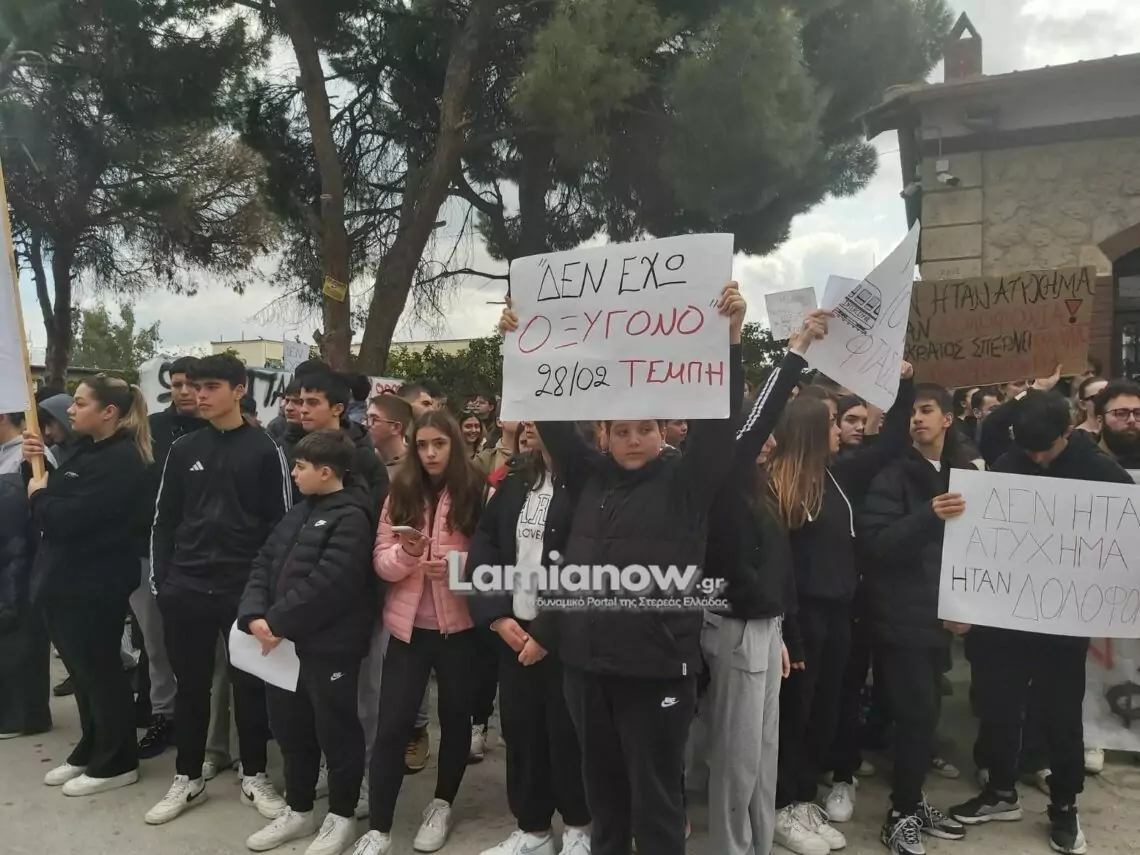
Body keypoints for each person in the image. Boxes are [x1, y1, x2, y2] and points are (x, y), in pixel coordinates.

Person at [502, 282, 747, 855]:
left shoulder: (687, 483)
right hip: (586, 670)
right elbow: (553, 419)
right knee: (604, 798)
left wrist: (730, 341)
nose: (634, 439)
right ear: (604, 435)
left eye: (646, 429)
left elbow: (721, 424)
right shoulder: (588, 475)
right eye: (622, 430)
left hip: (656, 669)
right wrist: (521, 344)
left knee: (656, 804)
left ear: (664, 432)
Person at [950, 391, 1133, 855]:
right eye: (1028, 449)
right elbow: (980, 537)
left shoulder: (1103, 474)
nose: (1035, 458)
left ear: (1068, 431)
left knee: (1061, 718)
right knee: (998, 708)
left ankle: (1065, 806)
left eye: (1044, 450)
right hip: (1005, 622)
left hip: (1062, 627)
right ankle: (1000, 791)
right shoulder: (1008, 465)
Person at [696, 310, 827, 855]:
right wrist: (792, 350)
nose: (767, 439)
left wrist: (782, 634)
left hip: (763, 628)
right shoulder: (720, 475)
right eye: (758, 432)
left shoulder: (759, 485)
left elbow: (778, 566)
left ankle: (759, 843)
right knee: (738, 756)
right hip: (735, 627)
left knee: (762, 753)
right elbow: (748, 418)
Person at [771, 360, 915, 855]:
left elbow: (891, 442)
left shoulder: (837, 476)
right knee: (794, 715)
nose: (842, 430)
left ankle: (804, 798)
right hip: (801, 621)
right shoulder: (779, 486)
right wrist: (790, 633)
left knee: (824, 714)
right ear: (812, 431)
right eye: (833, 423)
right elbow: (780, 570)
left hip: (838, 616)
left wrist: (905, 383)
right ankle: (780, 806)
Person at [146, 353, 291, 825]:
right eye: (194, 386)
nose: (198, 395)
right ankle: (187, 777)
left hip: (242, 589)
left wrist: (265, 593)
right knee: (191, 688)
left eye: (210, 387)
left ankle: (254, 774)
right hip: (185, 586)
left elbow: (281, 526)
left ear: (239, 390)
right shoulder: (183, 449)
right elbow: (164, 520)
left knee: (249, 687)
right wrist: (163, 583)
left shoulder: (265, 449)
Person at [353, 409, 487, 855]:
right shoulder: (401, 490)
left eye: (439, 444)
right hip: (407, 630)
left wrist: (455, 569)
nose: (430, 453)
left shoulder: (477, 490)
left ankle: (442, 804)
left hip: (461, 630)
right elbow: (381, 560)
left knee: (455, 719)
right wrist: (409, 554)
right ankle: (380, 827)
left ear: (455, 445)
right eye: (423, 444)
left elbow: (494, 561)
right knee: (392, 726)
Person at [238, 431, 377, 855]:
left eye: (300, 467)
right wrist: (254, 614)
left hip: (330, 647)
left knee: (336, 732)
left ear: (326, 472)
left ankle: (341, 817)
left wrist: (277, 621)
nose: (294, 474)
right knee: (290, 730)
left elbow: (331, 581)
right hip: (282, 646)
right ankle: (299, 810)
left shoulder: (353, 517)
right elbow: (263, 562)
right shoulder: (298, 512)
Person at [860, 384, 975, 854]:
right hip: (900, 616)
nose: (917, 419)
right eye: (911, 412)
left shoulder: (967, 474)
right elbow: (876, 545)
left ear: (948, 418)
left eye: (927, 410)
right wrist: (927, 515)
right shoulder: (892, 475)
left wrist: (965, 608)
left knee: (925, 719)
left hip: (939, 620)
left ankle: (912, 800)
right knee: (916, 715)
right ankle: (901, 813)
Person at [468, 420, 592, 855]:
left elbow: (588, 563)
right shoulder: (518, 479)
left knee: (569, 735)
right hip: (514, 634)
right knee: (522, 735)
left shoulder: (588, 480)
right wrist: (498, 617)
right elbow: (485, 545)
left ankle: (580, 828)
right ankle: (533, 829)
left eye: (542, 418)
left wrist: (546, 633)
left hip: (566, 639)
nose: (531, 426)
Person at [25, 375, 152, 796]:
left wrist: (39, 497)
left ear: (108, 412)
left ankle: (118, 760)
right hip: (65, 580)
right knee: (82, 674)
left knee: (101, 672)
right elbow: (55, 495)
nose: (71, 410)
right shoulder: (87, 450)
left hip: (95, 582)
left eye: (80, 403)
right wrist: (34, 465)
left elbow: (67, 518)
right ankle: (92, 746)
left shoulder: (122, 460)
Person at [135, 355, 207, 760]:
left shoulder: (223, 431)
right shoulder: (152, 428)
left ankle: (212, 729)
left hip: (204, 557)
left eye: (192, 384)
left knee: (207, 651)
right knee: (156, 642)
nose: (184, 392)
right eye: (177, 384)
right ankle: (163, 714)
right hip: (152, 551)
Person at [0, 420, 52, 741]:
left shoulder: (31, 454)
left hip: (24, 559)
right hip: (6, 555)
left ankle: (25, 716)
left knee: (22, 638)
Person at [293, 371, 388, 515]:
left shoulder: (362, 456)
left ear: (337, 409)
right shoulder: (293, 444)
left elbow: (375, 509)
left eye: (312, 403)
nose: (303, 410)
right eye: (301, 402)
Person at [1094, 379, 1140, 471]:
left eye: (1138, 413)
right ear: (1100, 420)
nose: (1132, 420)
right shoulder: (1083, 461)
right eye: (1121, 414)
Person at [367, 394, 413, 479]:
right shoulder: (368, 460)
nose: (365, 425)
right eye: (367, 418)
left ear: (396, 427)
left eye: (374, 419)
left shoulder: (413, 469)